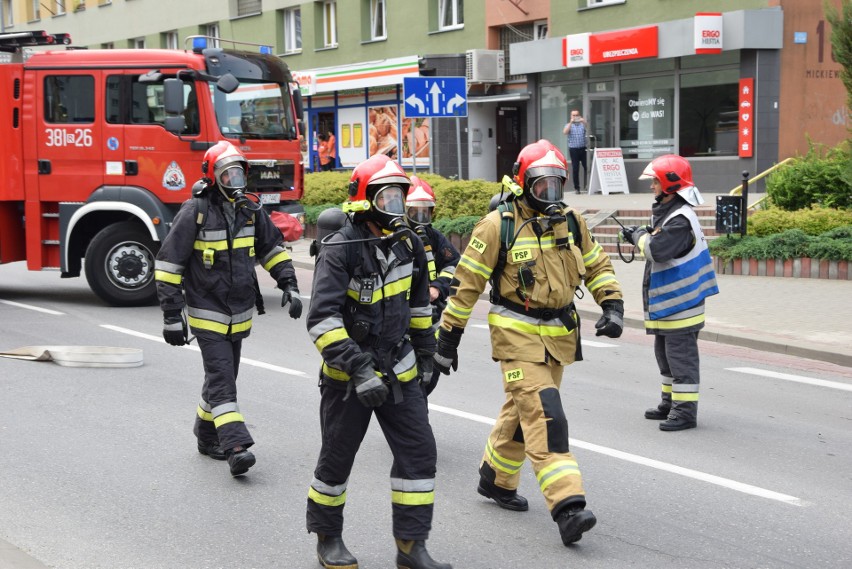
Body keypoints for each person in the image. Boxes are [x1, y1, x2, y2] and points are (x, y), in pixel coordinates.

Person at [434, 139, 624, 547]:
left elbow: (596, 264)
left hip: (557, 339)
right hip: (516, 338)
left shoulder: (571, 221)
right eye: (542, 187)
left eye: (557, 185)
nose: (550, 195)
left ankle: (496, 479)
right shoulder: (497, 225)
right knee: (546, 416)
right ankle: (568, 506)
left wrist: (612, 305)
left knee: (523, 411)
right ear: (524, 184)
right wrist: (448, 337)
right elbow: (466, 285)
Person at [305, 155, 451, 569]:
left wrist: (427, 354)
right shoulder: (340, 250)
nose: (397, 206)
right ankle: (328, 538)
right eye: (387, 197)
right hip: (349, 378)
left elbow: (420, 306)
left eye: (400, 197)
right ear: (365, 202)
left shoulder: (409, 245)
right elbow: (322, 321)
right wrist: (359, 368)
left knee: (419, 456)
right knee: (336, 458)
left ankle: (411, 545)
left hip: (400, 370)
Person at [154, 141, 302, 477]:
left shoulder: (250, 210)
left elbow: (272, 250)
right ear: (213, 176)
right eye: (227, 173)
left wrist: (289, 284)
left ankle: (205, 436)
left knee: (222, 378)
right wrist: (171, 316)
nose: (235, 180)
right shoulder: (196, 211)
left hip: (239, 314)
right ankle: (236, 446)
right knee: (223, 379)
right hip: (207, 313)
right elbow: (168, 266)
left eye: (239, 173)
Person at [620, 154, 719, 432]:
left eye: (655, 181)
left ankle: (685, 412)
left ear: (670, 184)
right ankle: (670, 402)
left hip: (682, 305)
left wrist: (638, 236)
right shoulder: (672, 214)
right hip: (671, 305)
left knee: (681, 359)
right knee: (665, 356)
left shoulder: (679, 220)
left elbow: (657, 250)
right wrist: (644, 233)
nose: (652, 186)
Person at [404, 176, 460, 395]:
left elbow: (454, 265)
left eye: (425, 211)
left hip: (431, 318)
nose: (420, 217)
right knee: (411, 384)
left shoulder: (435, 238)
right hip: (402, 320)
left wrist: (437, 287)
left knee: (429, 378)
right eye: (414, 211)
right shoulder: (393, 237)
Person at [562, 109, 588, 194]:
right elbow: (565, 132)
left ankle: (587, 185)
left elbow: (589, 128)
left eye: (577, 115)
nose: (575, 117)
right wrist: (570, 123)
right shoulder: (568, 125)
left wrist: (584, 121)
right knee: (575, 168)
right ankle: (577, 188)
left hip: (583, 149)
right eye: (573, 115)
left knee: (587, 167)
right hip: (573, 149)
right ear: (571, 116)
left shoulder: (582, 125)